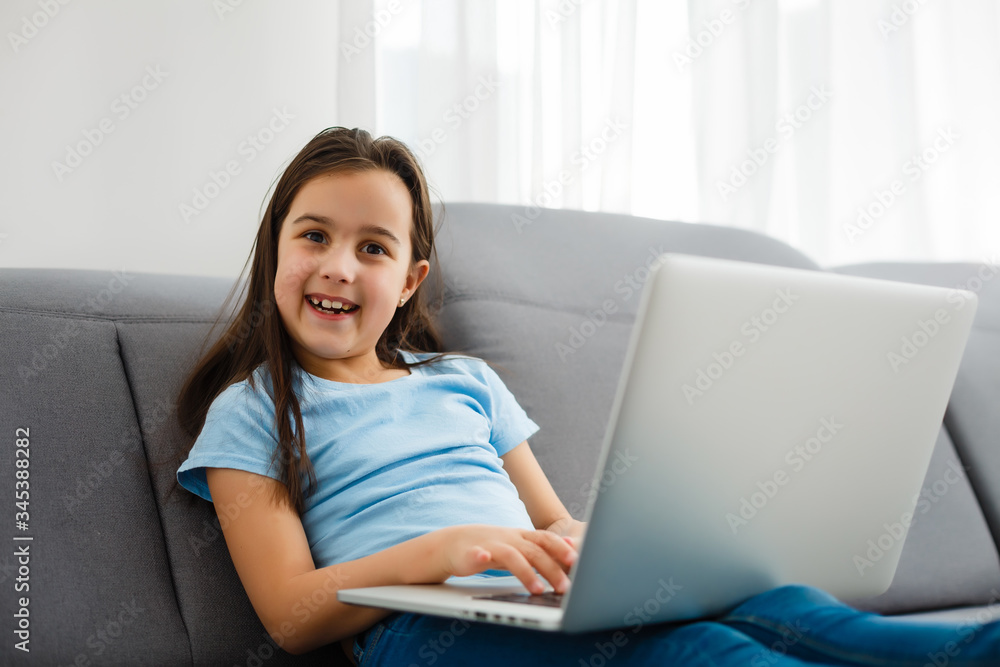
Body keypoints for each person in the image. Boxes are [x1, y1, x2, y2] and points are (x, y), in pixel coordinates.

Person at [174, 126, 1000, 666]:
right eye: (314, 235)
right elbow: (289, 614)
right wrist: (443, 551)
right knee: (704, 653)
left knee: (776, 603)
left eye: (373, 248)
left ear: (411, 279)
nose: (338, 267)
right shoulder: (251, 410)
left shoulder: (463, 381)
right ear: (275, 246)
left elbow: (551, 520)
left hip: (522, 596)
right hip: (415, 630)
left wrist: (609, 552)